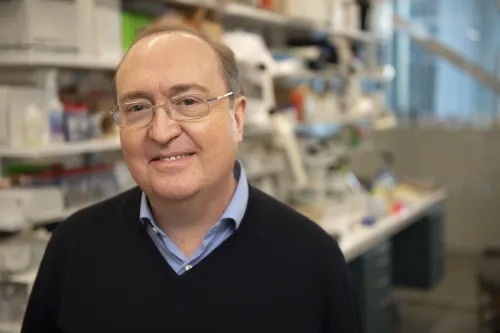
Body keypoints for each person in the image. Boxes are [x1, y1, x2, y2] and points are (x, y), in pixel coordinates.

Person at [21, 24, 363, 333]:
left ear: (238, 118)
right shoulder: (74, 248)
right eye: (138, 108)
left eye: (188, 101)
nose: (162, 130)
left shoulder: (313, 259)